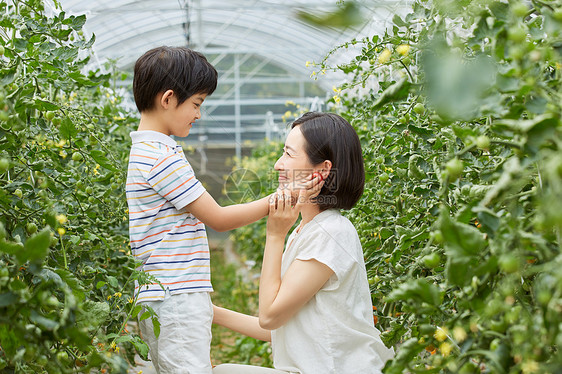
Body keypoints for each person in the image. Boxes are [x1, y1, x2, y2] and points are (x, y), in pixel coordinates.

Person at [126, 46, 322, 374]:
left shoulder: (146, 151)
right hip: (176, 295)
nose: (198, 114)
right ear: (168, 99)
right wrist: (283, 197)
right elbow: (218, 217)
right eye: (197, 104)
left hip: (163, 294)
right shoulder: (161, 157)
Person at [212, 112, 395, 374]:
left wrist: (274, 235)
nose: (278, 164)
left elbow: (269, 316)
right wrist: (213, 314)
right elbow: (285, 331)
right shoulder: (306, 230)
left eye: (288, 154)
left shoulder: (331, 233)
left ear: (322, 170)